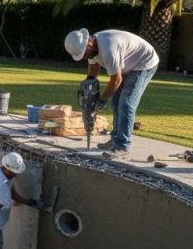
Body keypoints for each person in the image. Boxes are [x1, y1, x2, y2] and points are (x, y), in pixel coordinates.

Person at [64, 28, 159, 160]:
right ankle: (115, 140)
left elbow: (116, 80)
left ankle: (122, 147)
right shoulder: (92, 49)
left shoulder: (109, 49)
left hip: (144, 63)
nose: (84, 57)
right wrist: (88, 90)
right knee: (116, 102)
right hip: (128, 63)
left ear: (88, 44)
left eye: (84, 54)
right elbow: (93, 72)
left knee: (126, 104)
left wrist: (102, 99)